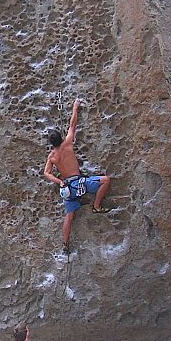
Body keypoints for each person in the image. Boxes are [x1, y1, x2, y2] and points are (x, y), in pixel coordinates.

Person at [43, 97, 111, 249]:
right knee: (105, 180)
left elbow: (46, 173)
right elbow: (72, 125)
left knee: (69, 215)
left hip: (68, 188)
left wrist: (59, 181)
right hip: (80, 183)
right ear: (60, 138)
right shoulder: (67, 143)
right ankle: (97, 206)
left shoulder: (52, 157)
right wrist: (75, 107)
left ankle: (65, 244)